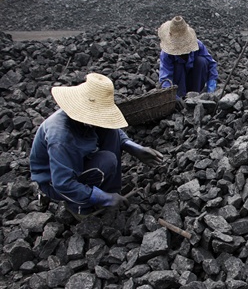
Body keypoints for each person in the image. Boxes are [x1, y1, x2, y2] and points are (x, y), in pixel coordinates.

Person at [29, 73, 164, 220]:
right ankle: (79, 207)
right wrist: (104, 198)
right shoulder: (61, 137)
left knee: (110, 131)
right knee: (107, 161)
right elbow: (63, 184)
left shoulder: (82, 119)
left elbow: (113, 131)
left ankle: (112, 191)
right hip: (54, 181)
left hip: (73, 163)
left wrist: (132, 147)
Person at [158, 16, 219, 100]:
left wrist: (211, 88)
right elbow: (165, 78)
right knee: (178, 66)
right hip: (178, 83)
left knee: (202, 61)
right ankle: (182, 97)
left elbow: (211, 64)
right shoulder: (166, 54)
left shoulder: (198, 45)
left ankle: (195, 95)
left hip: (194, 80)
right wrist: (172, 96)